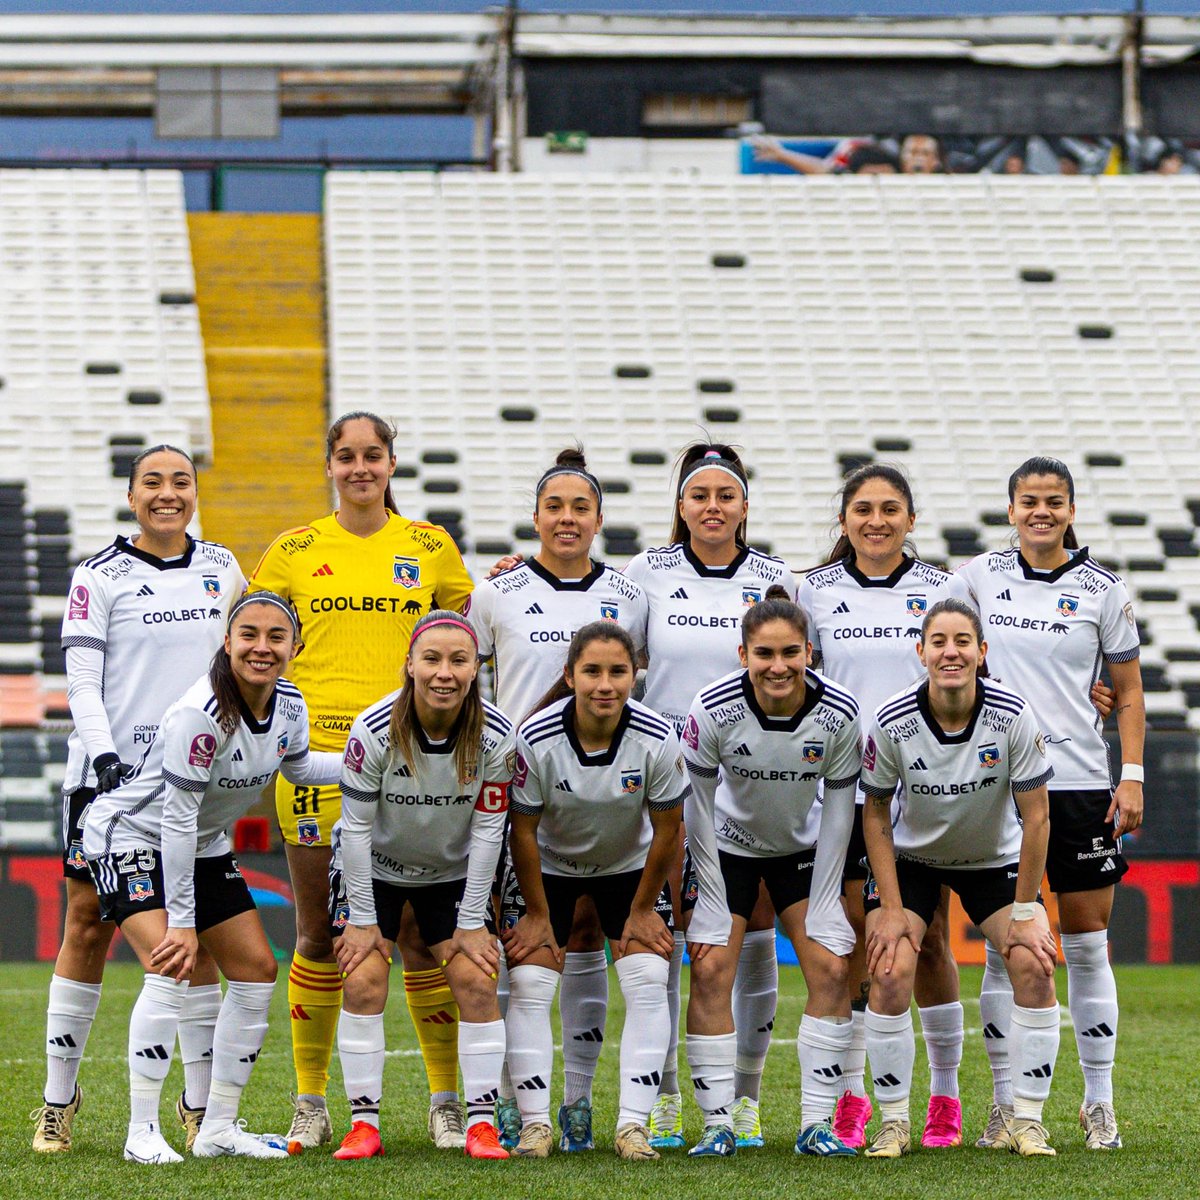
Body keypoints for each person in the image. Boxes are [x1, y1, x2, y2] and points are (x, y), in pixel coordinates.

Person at [249, 411, 474, 1152]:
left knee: (417, 933)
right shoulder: (293, 550)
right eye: (346, 456)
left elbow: (463, 643)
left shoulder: (430, 547)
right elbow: (257, 643)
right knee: (319, 931)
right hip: (316, 762)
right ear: (330, 466)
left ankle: (447, 1102)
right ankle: (311, 1103)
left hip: (414, 761)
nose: (359, 468)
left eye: (372, 455)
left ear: (391, 463)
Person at [33, 445, 245, 1154]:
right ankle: (58, 1101)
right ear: (131, 497)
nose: (167, 493)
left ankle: (196, 1106)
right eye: (152, 482)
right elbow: (83, 684)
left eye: (180, 481)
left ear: (193, 493)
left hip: (194, 784)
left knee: (206, 935)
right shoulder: (100, 576)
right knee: (88, 923)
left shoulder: (223, 568)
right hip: (110, 781)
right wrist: (106, 760)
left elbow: (249, 658)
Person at [82, 592, 342, 1162]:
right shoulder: (202, 713)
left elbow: (300, 770)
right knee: (170, 967)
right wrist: (181, 923)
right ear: (227, 642)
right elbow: (174, 821)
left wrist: (369, 757)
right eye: (248, 634)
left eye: (277, 637)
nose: (262, 647)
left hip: (199, 844)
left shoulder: (291, 706)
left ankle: (218, 1128)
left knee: (255, 969)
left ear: (295, 647)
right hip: (131, 835)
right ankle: (141, 1133)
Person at [957, 457, 1144, 1151]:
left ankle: (1099, 1104)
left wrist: (1133, 776)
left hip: (1079, 784)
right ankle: (1007, 1106)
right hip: (999, 786)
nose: (1041, 510)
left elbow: (1126, 691)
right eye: (1029, 500)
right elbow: (944, 653)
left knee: (1089, 946)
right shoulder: (976, 578)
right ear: (1010, 510)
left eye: (1054, 500)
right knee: (1006, 952)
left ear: (1070, 509)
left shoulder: (1103, 589)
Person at [469, 447, 649, 1152]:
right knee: (525, 947)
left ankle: (576, 1102)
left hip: (605, 795)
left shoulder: (630, 595)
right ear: (535, 516)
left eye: (581, 507)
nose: (567, 518)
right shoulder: (497, 592)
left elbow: (641, 689)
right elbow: (468, 678)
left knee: (582, 941)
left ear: (599, 518)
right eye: (555, 506)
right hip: (520, 797)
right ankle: (520, 1101)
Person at [624, 442, 797, 1149]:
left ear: (745, 507)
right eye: (700, 495)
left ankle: (746, 1101)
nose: (714, 507)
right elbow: (609, 655)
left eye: (727, 495)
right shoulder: (646, 573)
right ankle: (664, 1098)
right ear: (681, 506)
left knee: (751, 932)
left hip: (751, 781)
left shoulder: (777, 578)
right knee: (667, 939)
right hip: (665, 783)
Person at [797, 464, 973, 1149]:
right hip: (841, 794)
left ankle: (946, 1099)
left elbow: (976, 670)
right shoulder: (810, 589)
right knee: (860, 945)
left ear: (910, 519)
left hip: (924, 793)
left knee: (928, 941)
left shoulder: (942, 589)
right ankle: (852, 1099)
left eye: (890, 508)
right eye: (863, 508)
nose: (876, 520)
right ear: (844, 520)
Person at [859, 599, 1061, 1158]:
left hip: (990, 861)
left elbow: (1038, 817)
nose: (951, 651)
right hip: (912, 862)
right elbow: (874, 816)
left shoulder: (1013, 715)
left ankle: (1026, 1120)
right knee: (891, 967)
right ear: (920, 651)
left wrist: (1025, 911)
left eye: (962, 641)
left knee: (1034, 963)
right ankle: (895, 1123)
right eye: (939, 641)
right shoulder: (891, 719)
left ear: (981, 652)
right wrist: (894, 910)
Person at [681, 590, 862, 1158]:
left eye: (790, 652)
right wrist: (710, 895)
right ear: (743, 654)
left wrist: (828, 899)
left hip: (801, 852)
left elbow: (839, 812)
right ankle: (717, 1125)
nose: (778, 666)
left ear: (809, 651)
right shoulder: (711, 708)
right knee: (710, 969)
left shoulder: (840, 712)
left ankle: (815, 1125)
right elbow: (697, 807)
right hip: (726, 849)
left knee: (832, 969)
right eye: (764, 653)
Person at [330, 611, 513, 1161]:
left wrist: (471, 921)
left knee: (476, 979)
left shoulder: (497, 737)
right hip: (375, 869)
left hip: (452, 872)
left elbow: (488, 831)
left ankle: (481, 1125)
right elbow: (357, 830)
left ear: (475, 668)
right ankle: (364, 1126)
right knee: (363, 979)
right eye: (431, 659)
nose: (444, 673)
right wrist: (363, 920)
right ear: (408, 665)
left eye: (459, 661)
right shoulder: (373, 729)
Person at [503, 622, 687, 1161]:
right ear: (569, 675)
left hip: (628, 870)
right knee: (531, 982)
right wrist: (536, 914)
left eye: (617, 672)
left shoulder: (656, 736)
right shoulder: (535, 739)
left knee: (650, 977)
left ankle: (633, 1126)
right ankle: (536, 1124)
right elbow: (523, 831)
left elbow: (670, 829)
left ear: (635, 676)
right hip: (549, 871)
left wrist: (641, 910)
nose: (605, 684)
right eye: (592, 671)